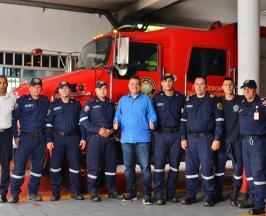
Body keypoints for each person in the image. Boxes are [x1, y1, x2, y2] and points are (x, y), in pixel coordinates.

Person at [180, 76, 224, 207]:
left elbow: (219, 122)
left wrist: (217, 138)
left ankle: (209, 196)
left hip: (206, 139)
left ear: (206, 86)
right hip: (191, 139)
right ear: (194, 85)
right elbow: (183, 122)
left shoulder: (213, 100)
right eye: (197, 84)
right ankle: (191, 195)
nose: (199, 87)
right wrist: (183, 138)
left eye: (201, 84)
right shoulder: (189, 100)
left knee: (207, 168)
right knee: (191, 169)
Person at [113, 76, 157, 205]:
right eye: (132, 84)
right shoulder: (122, 101)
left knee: (145, 168)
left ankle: (147, 195)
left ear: (140, 86)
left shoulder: (146, 100)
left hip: (143, 139)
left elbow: (152, 114)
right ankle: (131, 193)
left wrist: (153, 121)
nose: (135, 86)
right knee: (128, 168)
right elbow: (118, 116)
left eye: (137, 84)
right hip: (127, 140)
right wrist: (116, 123)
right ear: (128, 86)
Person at [79, 81, 123, 202]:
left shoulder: (110, 103)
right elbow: (83, 119)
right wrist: (98, 130)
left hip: (110, 139)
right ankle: (93, 192)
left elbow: (116, 120)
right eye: (100, 88)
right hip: (95, 139)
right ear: (96, 90)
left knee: (111, 166)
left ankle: (112, 191)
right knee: (93, 167)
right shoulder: (90, 103)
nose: (103, 90)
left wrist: (112, 131)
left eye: (105, 88)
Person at [9, 78, 49, 203]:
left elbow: (48, 120)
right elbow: (13, 119)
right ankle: (15, 194)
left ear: (41, 89)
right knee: (19, 167)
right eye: (34, 87)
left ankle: (32, 192)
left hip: (40, 139)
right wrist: (16, 136)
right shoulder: (22, 101)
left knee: (37, 168)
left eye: (38, 87)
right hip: (25, 138)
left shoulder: (45, 101)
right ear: (30, 88)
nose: (36, 89)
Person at [46, 81, 86, 201]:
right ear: (59, 91)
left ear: (70, 91)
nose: (64, 90)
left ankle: (75, 191)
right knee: (55, 166)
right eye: (62, 88)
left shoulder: (76, 104)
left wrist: (83, 137)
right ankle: (55, 192)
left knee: (75, 166)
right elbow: (48, 125)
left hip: (73, 138)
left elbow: (81, 123)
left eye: (67, 88)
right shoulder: (53, 105)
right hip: (58, 138)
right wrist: (49, 140)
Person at [152, 73, 185, 205]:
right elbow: (151, 115)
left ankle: (171, 193)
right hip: (160, 135)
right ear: (161, 83)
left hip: (176, 135)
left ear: (173, 83)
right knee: (159, 166)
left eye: (170, 81)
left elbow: (185, 117)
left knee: (174, 166)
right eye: (165, 81)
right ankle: (159, 194)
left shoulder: (180, 97)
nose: (168, 83)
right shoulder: (156, 98)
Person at [238, 80, 266, 215]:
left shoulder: (262, 104)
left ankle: (260, 205)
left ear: (255, 89)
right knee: (249, 173)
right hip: (245, 143)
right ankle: (254, 200)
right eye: (244, 89)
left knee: (258, 173)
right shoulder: (243, 103)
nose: (246, 91)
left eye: (249, 88)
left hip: (257, 143)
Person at [214, 77, 243, 205]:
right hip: (222, 142)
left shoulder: (241, 100)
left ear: (234, 86)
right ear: (222, 87)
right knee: (219, 169)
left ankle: (235, 193)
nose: (228, 87)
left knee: (237, 169)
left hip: (237, 141)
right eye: (226, 85)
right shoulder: (218, 101)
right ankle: (219, 193)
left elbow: (254, 100)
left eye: (230, 84)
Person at [0, 75, 16, 203]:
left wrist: (16, 136)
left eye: (4, 83)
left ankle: (2, 194)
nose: (2, 85)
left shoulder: (13, 99)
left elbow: (15, 118)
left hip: (6, 135)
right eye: (0, 83)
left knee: (5, 166)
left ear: (7, 84)